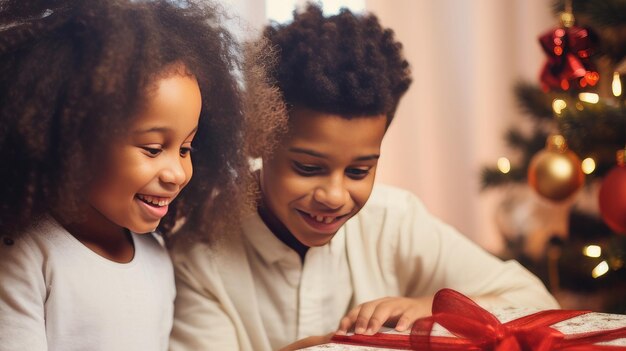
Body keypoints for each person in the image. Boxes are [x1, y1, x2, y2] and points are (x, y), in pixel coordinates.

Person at [169, 4, 560, 351]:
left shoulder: (396, 221)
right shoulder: (199, 253)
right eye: (308, 168)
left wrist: (431, 309)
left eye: (359, 171)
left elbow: (537, 302)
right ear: (258, 138)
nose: (335, 195)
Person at [0, 0, 252, 350]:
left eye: (186, 148)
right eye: (152, 149)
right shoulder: (26, 258)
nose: (176, 173)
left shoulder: (156, 255)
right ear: (71, 140)